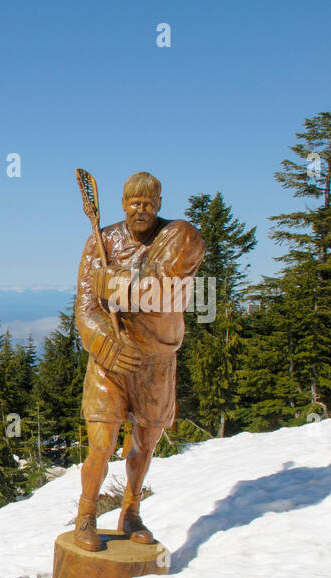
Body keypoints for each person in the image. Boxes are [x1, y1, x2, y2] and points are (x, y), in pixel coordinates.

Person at [74, 171, 204, 552]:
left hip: (157, 361)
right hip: (111, 360)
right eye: (134, 203)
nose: (140, 210)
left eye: (148, 203)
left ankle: (131, 512)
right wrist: (104, 342)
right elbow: (85, 306)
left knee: (145, 441)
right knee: (101, 442)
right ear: (123, 205)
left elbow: (162, 292)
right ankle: (86, 516)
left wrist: (112, 283)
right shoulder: (101, 241)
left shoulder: (181, 237)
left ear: (159, 205)